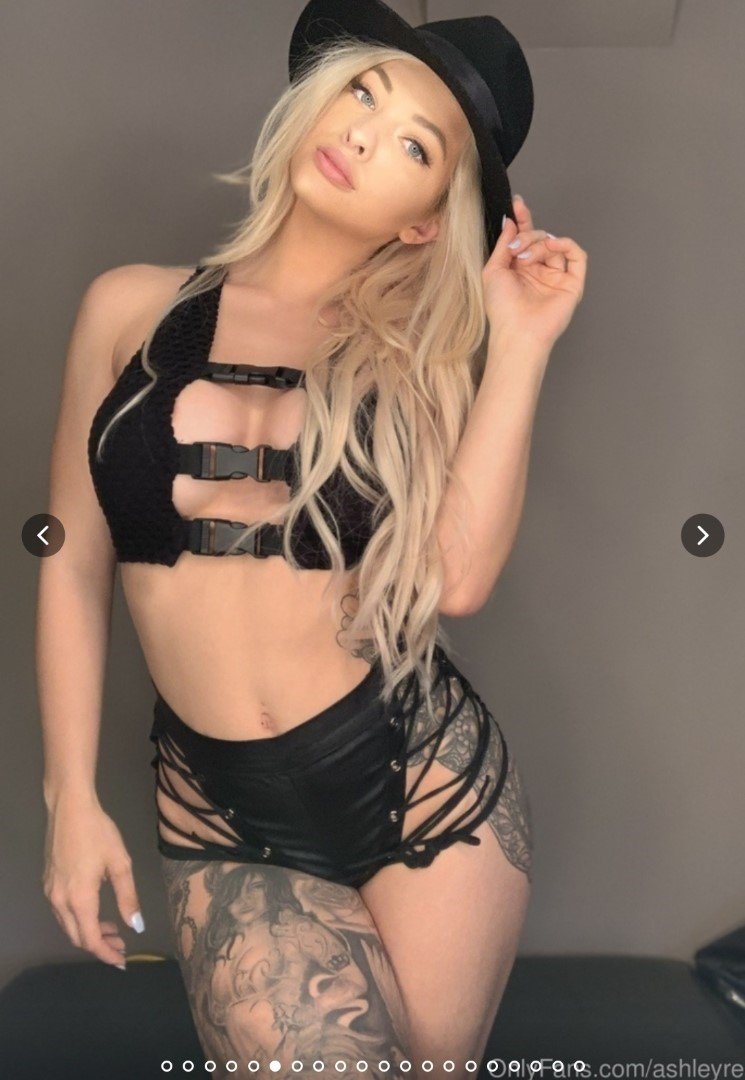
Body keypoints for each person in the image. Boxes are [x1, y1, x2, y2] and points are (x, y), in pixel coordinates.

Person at [38, 1, 587, 1076]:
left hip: (424, 781)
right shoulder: (127, 309)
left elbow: (456, 580)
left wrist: (520, 345)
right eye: (363, 93)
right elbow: (71, 561)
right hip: (223, 808)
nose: (363, 134)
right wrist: (70, 795)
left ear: (425, 220)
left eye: (414, 146)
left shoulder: (416, 357)